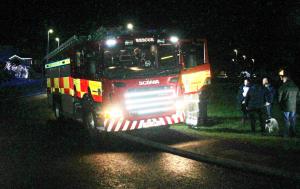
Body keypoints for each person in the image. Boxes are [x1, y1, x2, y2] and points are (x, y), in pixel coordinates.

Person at [278, 71, 299, 137]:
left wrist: (280, 104)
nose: (281, 79)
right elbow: (298, 97)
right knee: (293, 120)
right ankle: (293, 133)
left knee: (286, 120)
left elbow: (279, 98)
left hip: (285, 106)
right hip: (293, 107)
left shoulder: (283, 87)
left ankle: (286, 134)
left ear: (285, 78)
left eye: (282, 78)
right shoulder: (296, 87)